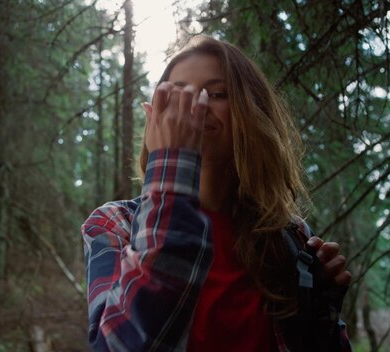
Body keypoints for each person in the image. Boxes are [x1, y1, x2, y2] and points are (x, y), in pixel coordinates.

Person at [81, 36, 352, 351]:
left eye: (217, 93)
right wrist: (172, 168)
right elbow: (119, 345)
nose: (196, 105)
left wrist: (321, 311)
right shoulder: (115, 225)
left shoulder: (291, 237)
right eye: (177, 95)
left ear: (251, 113)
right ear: (154, 117)